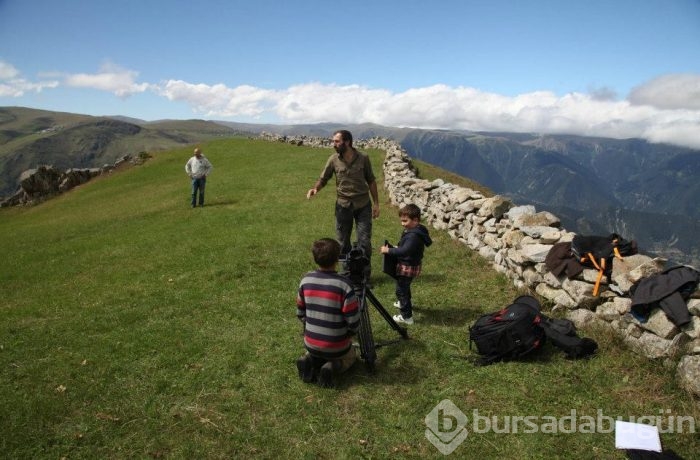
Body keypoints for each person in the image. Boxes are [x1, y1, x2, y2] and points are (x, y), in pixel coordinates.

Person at [306, 130, 380, 270]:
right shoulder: (333, 159)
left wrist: (376, 203)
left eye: (337, 141)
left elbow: (371, 180)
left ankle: (364, 276)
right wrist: (315, 189)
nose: (333, 144)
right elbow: (324, 178)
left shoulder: (363, 158)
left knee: (364, 242)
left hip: (363, 205)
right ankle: (346, 274)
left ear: (347, 142)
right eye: (333, 141)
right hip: (343, 206)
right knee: (342, 243)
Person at [296, 238, 361, 388]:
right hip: (337, 345)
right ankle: (333, 366)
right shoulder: (344, 285)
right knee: (350, 356)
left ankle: (309, 360)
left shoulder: (306, 280)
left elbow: (300, 312)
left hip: (310, 342)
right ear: (338, 258)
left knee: (316, 351)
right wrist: (351, 333)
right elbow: (353, 321)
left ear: (314, 257)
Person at [380, 204, 432, 325]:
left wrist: (388, 250)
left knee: (401, 290)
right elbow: (408, 248)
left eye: (405, 221)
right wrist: (397, 247)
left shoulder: (413, 236)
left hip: (406, 267)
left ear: (416, 220)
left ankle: (407, 317)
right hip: (412, 264)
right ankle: (406, 303)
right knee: (405, 286)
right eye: (401, 221)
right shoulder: (418, 230)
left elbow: (405, 251)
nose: (402, 223)